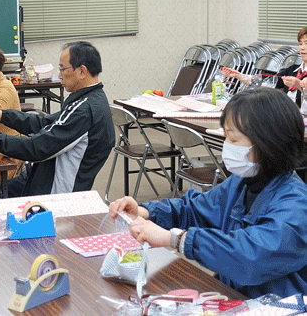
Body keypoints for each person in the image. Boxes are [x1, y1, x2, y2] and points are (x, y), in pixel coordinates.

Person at [109, 87, 307, 299]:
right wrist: (145, 211)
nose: (226, 146)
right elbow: (194, 209)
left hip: (277, 306)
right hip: (233, 296)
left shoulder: (296, 204)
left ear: (268, 143)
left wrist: (175, 239)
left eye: (233, 139)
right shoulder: (241, 183)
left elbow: (250, 255)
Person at [0, 41, 114, 196]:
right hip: (40, 175)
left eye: (63, 69)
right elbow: (44, 123)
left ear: (82, 71)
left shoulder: (85, 110)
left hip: (52, 194)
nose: (60, 75)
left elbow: (37, 147)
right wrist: (2, 115)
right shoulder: (87, 100)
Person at [223, 27, 307, 107]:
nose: (302, 48)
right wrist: (239, 75)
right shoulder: (293, 70)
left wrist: (299, 85)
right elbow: (267, 81)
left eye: (306, 43)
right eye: (300, 44)